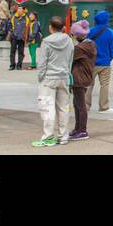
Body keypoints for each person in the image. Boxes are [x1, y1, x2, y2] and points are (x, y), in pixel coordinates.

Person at [32, 16, 73, 148]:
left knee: (48, 107)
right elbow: (70, 59)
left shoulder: (47, 42)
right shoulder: (69, 40)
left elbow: (42, 62)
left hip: (49, 78)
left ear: (50, 27)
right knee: (63, 108)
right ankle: (63, 136)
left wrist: (40, 77)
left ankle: (49, 136)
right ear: (63, 28)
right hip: (64, 76)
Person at [86, 9, 113, 114]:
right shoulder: (111, 33)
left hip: (91, 63)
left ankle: (85, 106)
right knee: (104, 85)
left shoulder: (89, 32)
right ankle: (104, 107)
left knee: (88, 85)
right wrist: (109, 58)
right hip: (105, 63)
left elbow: (85, 46)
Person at [68, 21, 95, 142]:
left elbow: (69, 58)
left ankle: (82, 130)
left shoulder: (80, 48)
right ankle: (77, 128)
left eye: (73, 34)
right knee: (77, 103)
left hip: (79, 78)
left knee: (80, 105)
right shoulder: (90, 44)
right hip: (85, 77)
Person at [9, 5, 29, 71]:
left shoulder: (26, 18)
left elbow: (27, 28)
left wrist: (26, 37)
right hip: (14, 37)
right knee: (12, 52)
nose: (19, 10)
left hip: (22, 38)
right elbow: (10, 25)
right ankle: (12, 65)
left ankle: (19, 65)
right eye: (19, 8)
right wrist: (12, 32)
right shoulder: (13, 17)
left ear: (23, 10)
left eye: (21, 9)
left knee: (21, 52)